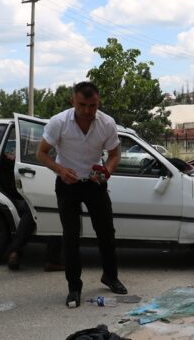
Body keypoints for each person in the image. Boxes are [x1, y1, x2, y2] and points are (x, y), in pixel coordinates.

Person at [36, 81, 128, 309]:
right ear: (72, 102)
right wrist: (60, 170)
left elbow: (115, 155)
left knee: (106, 232)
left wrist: (108, 170)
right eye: (82, 105)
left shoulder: (107, 123)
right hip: (68, 183)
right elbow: (41, 154)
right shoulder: (59, 122)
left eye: (92, 105)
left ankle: (110, 277)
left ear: (99, 102)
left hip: (95, 183)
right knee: (71, 236)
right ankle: (74, 287)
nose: (87, 111)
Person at [0, 144, 64, 272]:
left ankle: (15, 251)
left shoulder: (52, 135)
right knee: (54, 217)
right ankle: (53, 260)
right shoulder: (64, 133)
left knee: (32, 213)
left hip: (38, 180)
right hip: (56, 179)